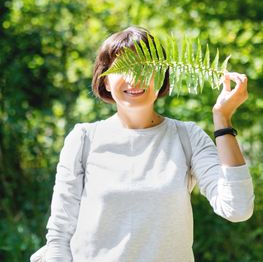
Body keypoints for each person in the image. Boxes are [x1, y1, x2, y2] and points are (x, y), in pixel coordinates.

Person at [45, 26, 254, 262]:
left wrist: (222, 118)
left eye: (144, 67)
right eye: (124, 67)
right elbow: (59, 236)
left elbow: (237, 208)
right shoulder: (83, 139)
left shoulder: (187, 137)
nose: (135, 78)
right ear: (104, 81)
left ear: (162, 76)